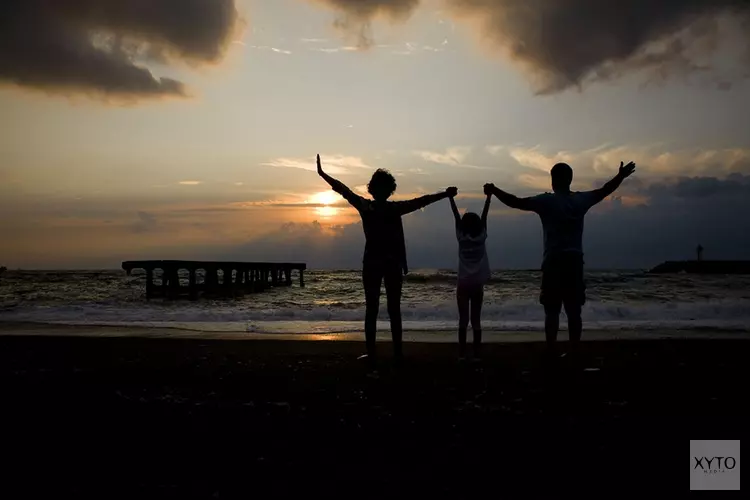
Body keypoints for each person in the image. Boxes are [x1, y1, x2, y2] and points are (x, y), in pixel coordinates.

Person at [317, 154, 457, 371]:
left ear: (382, 189)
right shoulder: (378, 208)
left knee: (383, 308)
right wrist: (323, 174)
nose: (381, 191)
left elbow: (421, 201)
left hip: (382, 263)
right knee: (384, 309)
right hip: (379, 263)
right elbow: (343, 189)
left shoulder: (373, 207)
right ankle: (389, 353)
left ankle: (386, 353)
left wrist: (444, 195)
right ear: (378, 189)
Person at [484, 161, 636, 358]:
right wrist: (621, 176)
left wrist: (495, 190)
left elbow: (516, 202)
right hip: (573, 260)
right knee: (574, 311)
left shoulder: (546, 201)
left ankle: (551, 349)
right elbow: (604, 190)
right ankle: (574, 350)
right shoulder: (580, 200)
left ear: (553, 180)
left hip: (554, 260)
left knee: (552, 309)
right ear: (570, 179)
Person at [449, 191, 491, 361]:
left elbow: (455, 215)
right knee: (476, 321)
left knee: (463, 321)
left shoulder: (461, 237)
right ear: (479, 226)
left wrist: (450, 197)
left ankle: (461, 354)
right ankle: (476, 354)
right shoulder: (481, 237)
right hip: (477, 284)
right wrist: (489, 197)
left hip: (463, 283)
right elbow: (485, 215)